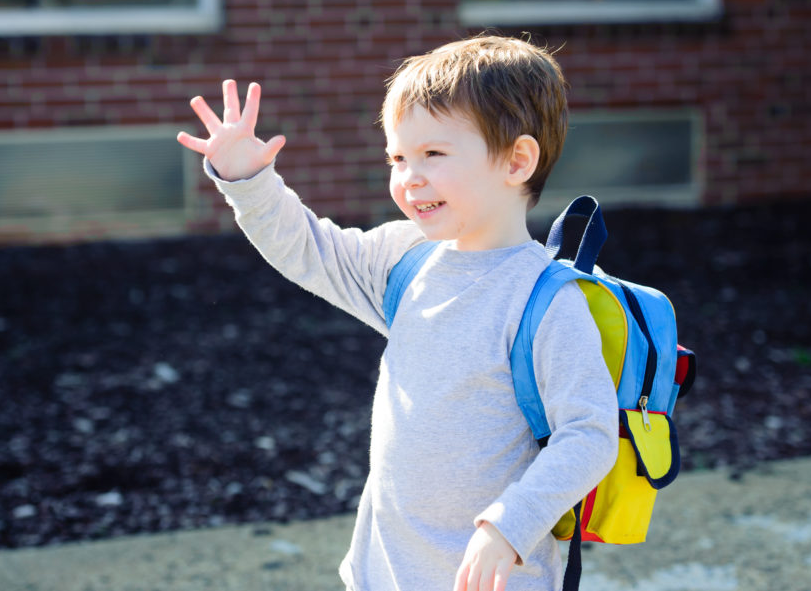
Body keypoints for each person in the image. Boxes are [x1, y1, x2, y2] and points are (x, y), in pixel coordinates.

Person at [176, 35, 619, 591]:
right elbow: (307, 249)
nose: (409, 176)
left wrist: (509, 528)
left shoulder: (547, 299)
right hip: (382, 574)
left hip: (494, 580)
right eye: (398, 157)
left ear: (516, 160)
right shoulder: (404, 259)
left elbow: (590, 433)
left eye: (433, 154)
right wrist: (248, 181)